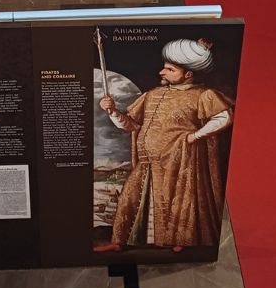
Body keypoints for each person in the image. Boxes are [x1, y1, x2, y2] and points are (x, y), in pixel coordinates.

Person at [95, 38, 233, 252]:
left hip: (180, 163)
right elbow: (131, 125)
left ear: (188, 74)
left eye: (170, 69)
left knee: (178, 201)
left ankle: (180, 240)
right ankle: (120, 242)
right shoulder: (153, 95)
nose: (162, 72)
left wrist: (194, 137)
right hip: (147, 162)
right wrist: (112, 111)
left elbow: (224, 117)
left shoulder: (204, 95)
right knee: (131, 197)